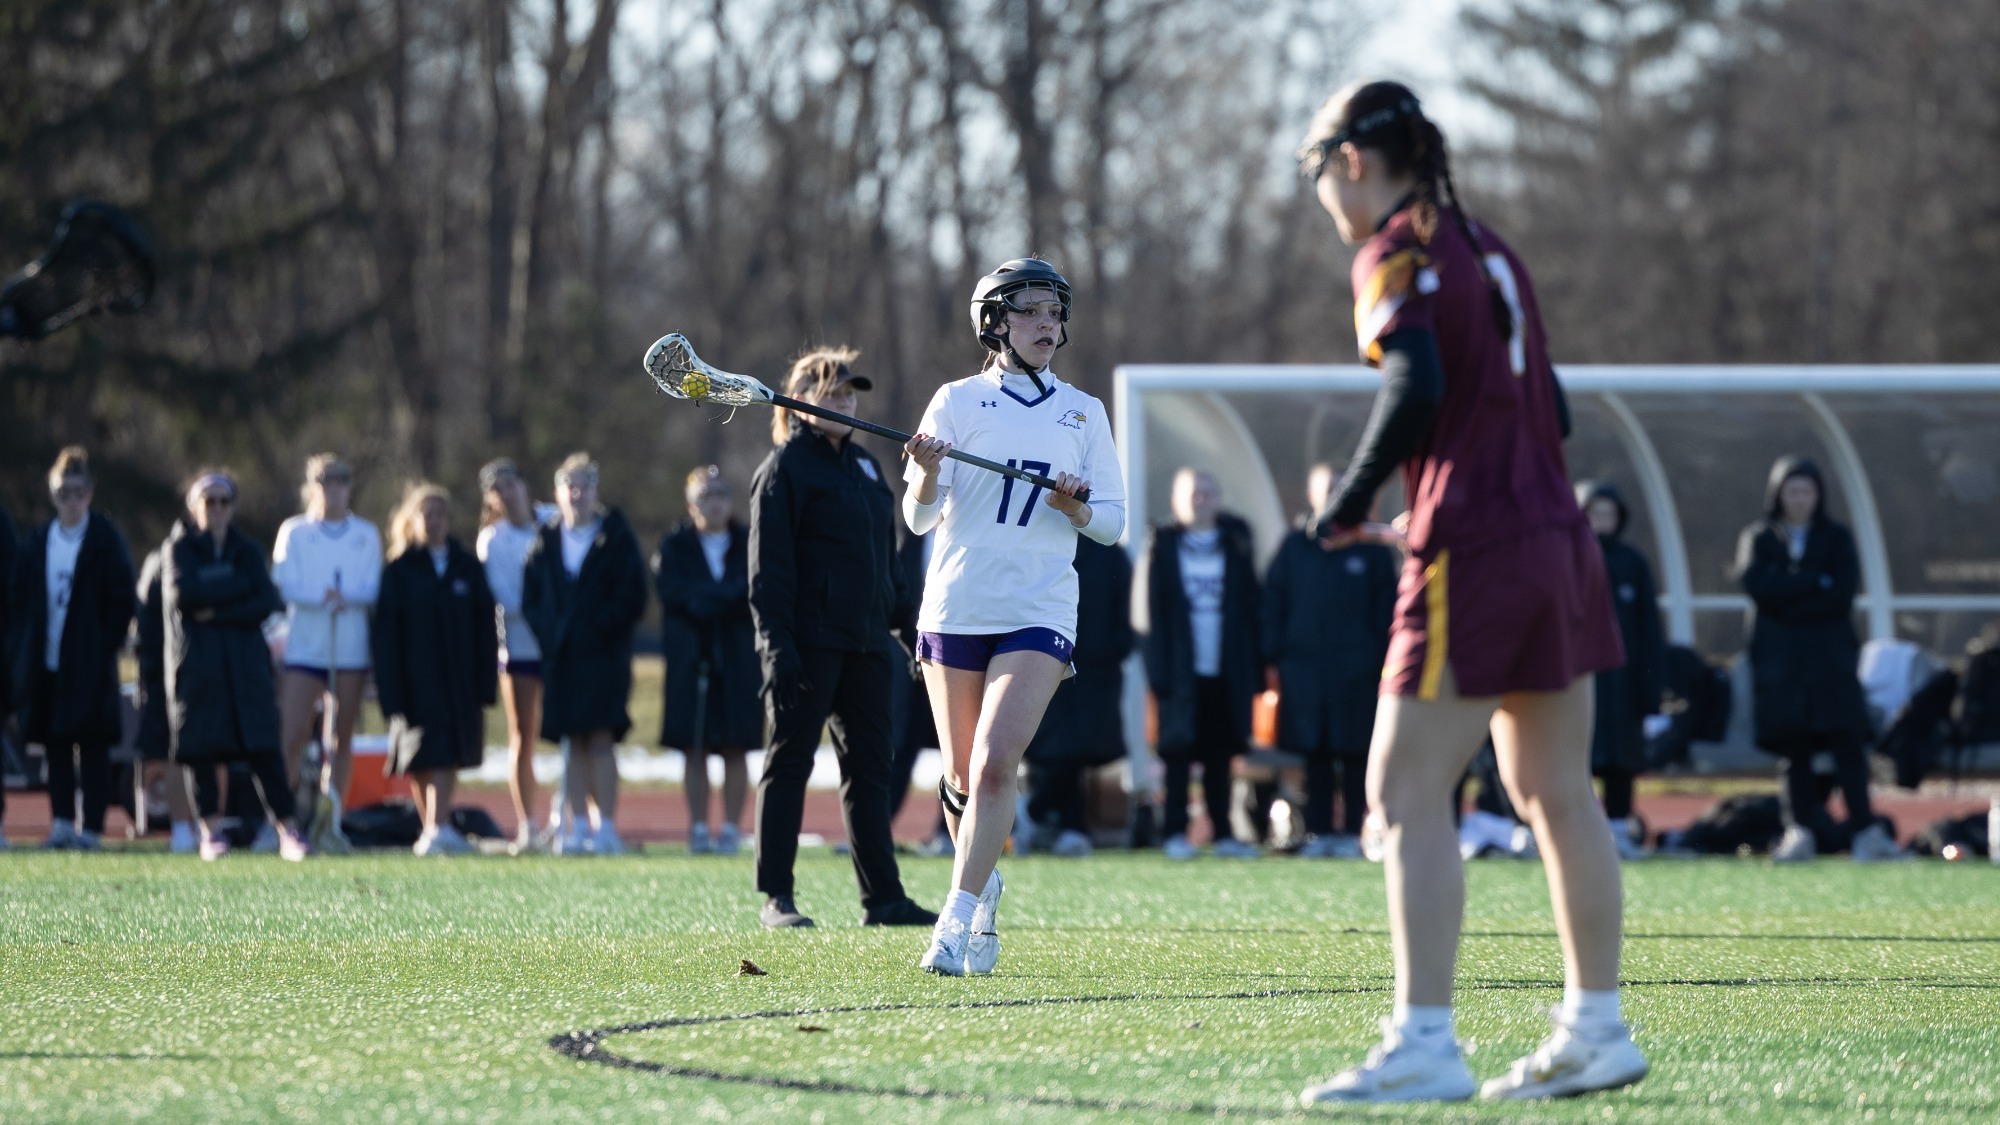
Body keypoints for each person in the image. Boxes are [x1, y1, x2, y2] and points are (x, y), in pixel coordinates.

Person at [1292, 82, 1644, 1104]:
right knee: (1555, 792)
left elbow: (1414, 385)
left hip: (1474, 552)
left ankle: (1424, 1043)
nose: (1320, 194)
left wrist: (1347, 503)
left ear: (1352, 160)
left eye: (1315, 172)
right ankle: (1596, 1028)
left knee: (1402, 794)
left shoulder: (1394, 250)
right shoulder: (1490, 247)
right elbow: (1550, 408)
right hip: (1557, 536)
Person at [901, 257, 1127, 974]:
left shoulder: (1084, 412)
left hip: (1039, 608)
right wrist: (928, 472)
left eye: (1054, 312)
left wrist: (1076, 509)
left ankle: (953, 918)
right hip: (958, 604)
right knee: (963, 780)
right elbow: (918, 518)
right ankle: (983, 886)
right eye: (1030, 311)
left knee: (997, 762)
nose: (1046, 325)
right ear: (994, 322)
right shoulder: (955, 401)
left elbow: (1112, 524)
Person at [750, 347, 934, 929]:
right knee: (790, 763)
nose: (845, 403)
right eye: (832, 394)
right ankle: (777, 897)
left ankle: (883, 899)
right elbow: (768, 574)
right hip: (807, 645)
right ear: (800, 402)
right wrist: (776, 650)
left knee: (871, 769)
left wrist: (908, 628)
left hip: (869, 644)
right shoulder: (783, 469)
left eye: (850, 394)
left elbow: (888, 564)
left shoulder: (866, 468)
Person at [1734, 457, 1903, 863]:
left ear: (1819, 495)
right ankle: (1799, 830)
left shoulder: (1837, 537)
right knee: (1794, 749)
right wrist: (1812, 581)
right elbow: (1758, 587)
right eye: (1792, 491)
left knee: (1847, 742)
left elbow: (1840, 594)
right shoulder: (1759, 537)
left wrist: (1789, 597)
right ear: (1778, 494)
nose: (1799, 499)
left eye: (1806, 491)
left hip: (1831, 662)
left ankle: (1866, 831)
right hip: (1782, 665)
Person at [163, 471, 309, 861]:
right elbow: (185, 595)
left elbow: (264, 601)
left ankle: (287, 830)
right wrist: (235, 590)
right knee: (203, 749)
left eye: (223, 501)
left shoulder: (246, 550)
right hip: (199, 666)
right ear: (194, 506)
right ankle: (210, 832)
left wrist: (216, 609)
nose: (216, 509)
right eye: (208, 501)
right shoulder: (179, 549)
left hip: (246, 666)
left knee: (263, 748)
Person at [1263, 463, 1398, 858]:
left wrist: (1379, 660)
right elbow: (1272, 604)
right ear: (1312, 495)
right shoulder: (1294, 547)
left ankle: (1353, 832)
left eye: (1340, 487)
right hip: (1306, 672)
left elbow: (1388, 611)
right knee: (1316, 753)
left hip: (1359, 671)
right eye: (1326, 488)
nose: (1333, 495)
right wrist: (1277, 655)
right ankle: (1319, 832)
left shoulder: (1371, 549)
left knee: (1356, 753)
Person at [7, 447, 137, 850]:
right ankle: (62, 823)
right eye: (64, 492)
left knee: (93, 746)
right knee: (56, 745)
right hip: (48, 660)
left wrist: (104, 644)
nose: (71, 501)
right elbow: (19, 597)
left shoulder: (103, 539)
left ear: (90, 493)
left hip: (90, 662)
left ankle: (92, 828)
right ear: (53, 494)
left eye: (79, 492)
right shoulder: (40, 541)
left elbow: (122, 597)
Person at [520, 452, 648, 855]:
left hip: (604, 657)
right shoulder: (545, 540)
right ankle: (575, 828)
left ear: (596, 491)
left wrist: (598, 628)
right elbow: (532, 598)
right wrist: (552, 636)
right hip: (563, 658)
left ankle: (605, 828)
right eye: (570, 486)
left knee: (601, 740)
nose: (577, 494)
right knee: (572, 742)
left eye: (585, 486)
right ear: (558, 492)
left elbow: (633, 596)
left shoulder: (616, 537)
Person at [1138, 468, 1263, 861]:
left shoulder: (1236, 543)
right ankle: (1175, 833)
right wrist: (1157, 671)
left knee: (1219, 755)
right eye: (1193, 493)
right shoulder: (1160, 545)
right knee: (1177, 754)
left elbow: (1251, 607)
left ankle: (1223, 833)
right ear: (1176, 500)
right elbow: (1147, 613)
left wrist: (1254, 668)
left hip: (1225, 669)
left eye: (1208, 492)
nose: (1201, 499)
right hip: (1179, 670)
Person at [374, 483, 497, 856]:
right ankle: (433, 828)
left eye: (441, 514)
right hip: (415, 681)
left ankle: (437, 827)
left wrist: (485, 683)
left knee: (448, 753)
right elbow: (385, 636)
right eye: (426, 514)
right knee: (421, 757)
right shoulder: (399, 571)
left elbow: (485, 627)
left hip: (459, 680)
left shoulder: (467, 567)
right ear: (412, 520)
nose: (434, 521)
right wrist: (391, 691)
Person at [271, 453, 381, 853]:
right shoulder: (295, 532)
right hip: (306, 649)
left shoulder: (366, 534)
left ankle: (330, 821)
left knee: (339, 739)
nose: (333, 488)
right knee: (293, 736)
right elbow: (284, 583)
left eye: (340, 480)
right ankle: (281, 823)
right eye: (324, 480)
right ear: (312, 486)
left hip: (349, 649)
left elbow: (373, 586)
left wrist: (346, 596)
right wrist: (323, 596)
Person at [654, 466, 760, 855]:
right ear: (691, 505)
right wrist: (720, 598)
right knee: (694, 744)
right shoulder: (674, 545)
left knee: (736, 745)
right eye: (705, 496)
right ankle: (698, 826)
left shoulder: (749, 540)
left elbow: (754, 588)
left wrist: (712, 598)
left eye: (720, 495)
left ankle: (730, 829)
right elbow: (673, 592)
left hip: (739, 656)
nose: (714, 503)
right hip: (691, 655)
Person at [1019, 535, 1135, 857]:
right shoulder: (1036, 543)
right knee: (1054, 750)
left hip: (1095, 670)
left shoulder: (1108, 551)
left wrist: (1116, 647)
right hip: (1046, 660)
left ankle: (1041, 815)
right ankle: (1065, 824)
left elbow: (1126, 607)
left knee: (1079, 749)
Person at [1577, 481, 1665, 860]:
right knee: (1577, 759)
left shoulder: (1633, 563)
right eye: (1594, 513)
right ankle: (1577, 836)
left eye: (1608, 514)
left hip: (1624, 684)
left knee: (1621, 762)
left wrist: (1652, 694)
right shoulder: (1568, 559)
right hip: (1581, 679)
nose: (1601, 521)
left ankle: (1619, 831)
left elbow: (1649, 631)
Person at [477, 458, 548, 847]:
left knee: (578, 733)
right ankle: (528, 825)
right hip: (518, 646)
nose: (507, 493)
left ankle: (580, 821)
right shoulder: (492, 540)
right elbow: (507, 598)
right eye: (497, 489)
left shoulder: (553, 520)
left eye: (511, 483)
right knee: (522, 735)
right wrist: (546, 610)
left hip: (559, 643)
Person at [136, 546, 198, 852]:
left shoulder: (222, 551)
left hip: (207, 667)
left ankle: (209, 827)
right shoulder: (159, 560)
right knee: (174, 750)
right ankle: (182, 829)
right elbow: (146, 622)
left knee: (214, 751)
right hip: (168, 673)